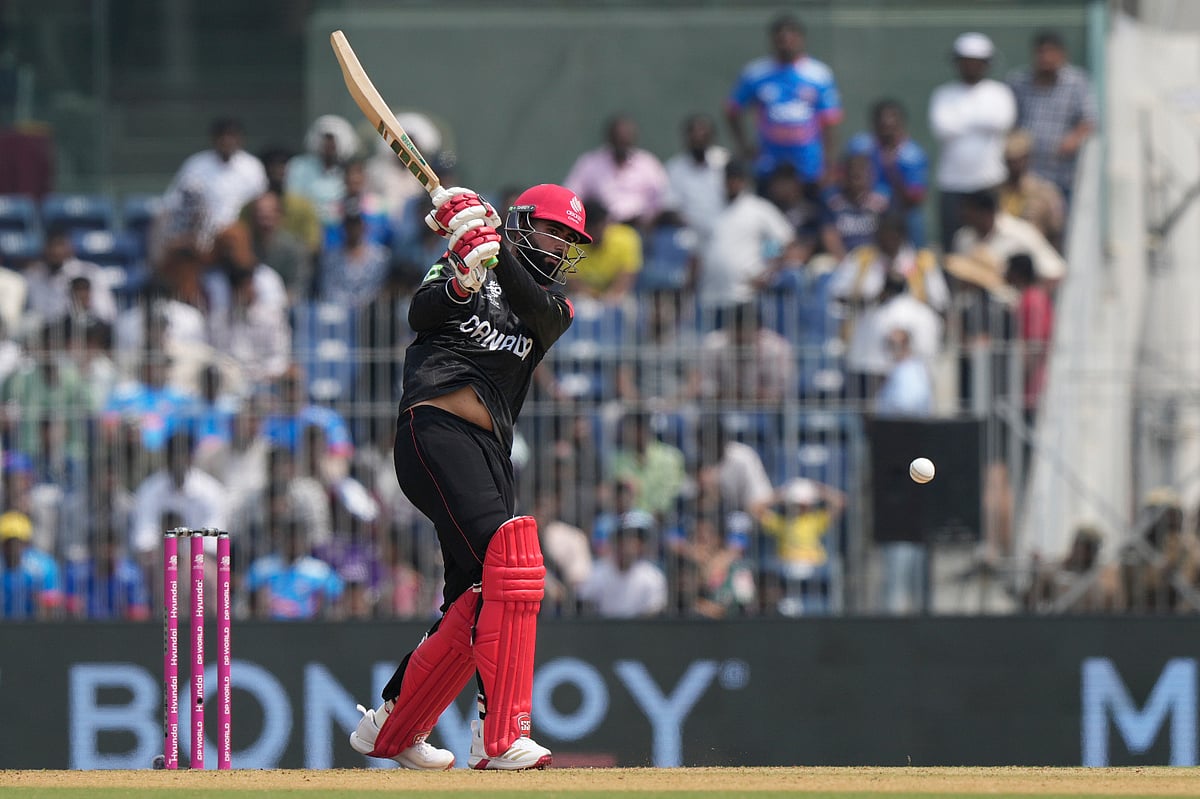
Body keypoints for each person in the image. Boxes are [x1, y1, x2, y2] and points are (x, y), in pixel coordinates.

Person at [349, 182, 590, 770]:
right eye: (552, 230)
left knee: (476, 593)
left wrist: (491, 245)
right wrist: (462, 274)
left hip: (490, 453)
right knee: (513, 566)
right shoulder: (463, 265)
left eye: (568, 238)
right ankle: (499, 735)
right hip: (435, 429)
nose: (559, 245)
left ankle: (392, 727)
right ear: (522, 221)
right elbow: (421, 314)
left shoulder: (555, 309)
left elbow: (533, 307)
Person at [726, 13, 842, 193]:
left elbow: (830, 121)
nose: (786, 43)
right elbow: (732, 110)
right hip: (769, 163)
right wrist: (744, 146)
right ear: (772, 40)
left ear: (801, 39)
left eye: (791, 37)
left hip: (808, 165)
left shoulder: (819, 74)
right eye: (781, 38)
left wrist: (829, 163)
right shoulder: (756, 73)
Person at [928, 33, 1016, 252]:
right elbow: (942, 128)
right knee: (952, 244)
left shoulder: (999, 93)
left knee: (992, 244)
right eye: (965, 61)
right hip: (952, 182)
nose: (970, 66)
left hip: (989, 180)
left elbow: (1001, 121)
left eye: (976, 61)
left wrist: (962, 121)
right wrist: (980, 121)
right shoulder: (943, 94)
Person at [1006, 30, 1097, 204]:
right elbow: (1009, 119)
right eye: (1041, 52)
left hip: (1062, 173)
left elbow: (1089, 121)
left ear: (1062, 55)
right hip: (1027, 175)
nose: (1046, 58)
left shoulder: (1076, 82)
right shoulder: (1019, 82)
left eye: (1051, 52)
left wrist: (1073, 140)